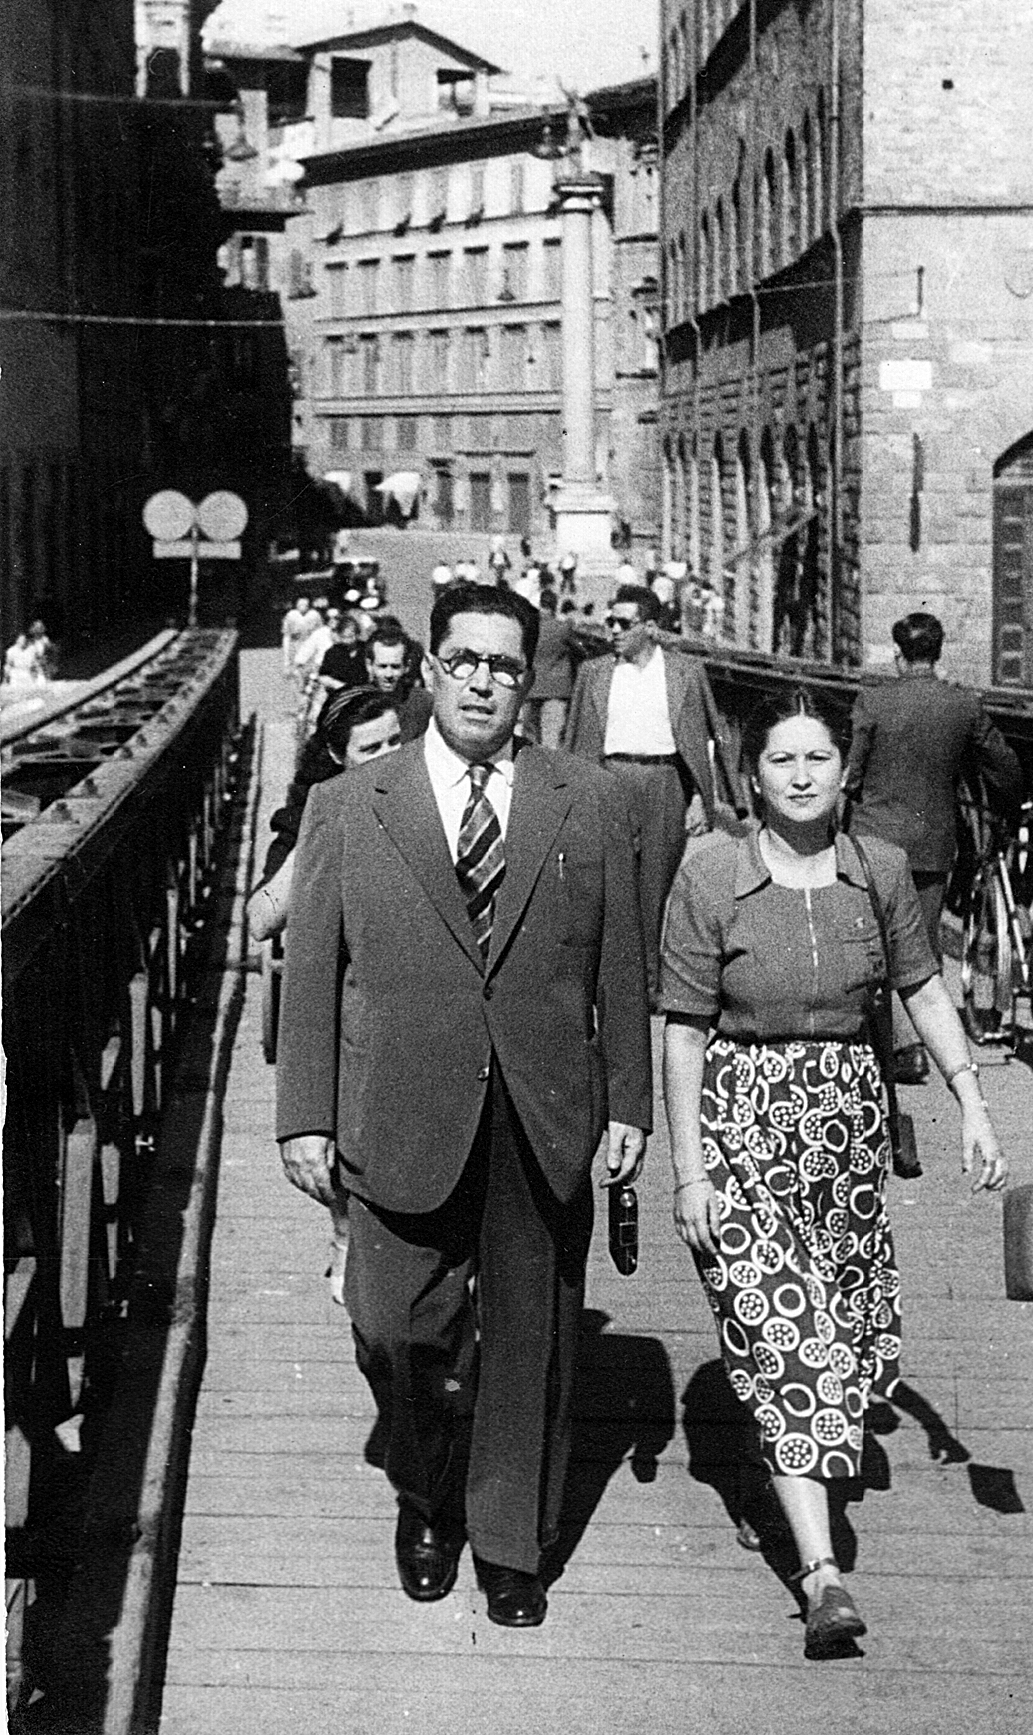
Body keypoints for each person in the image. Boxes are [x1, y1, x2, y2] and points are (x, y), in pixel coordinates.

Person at [275, 581, 652, 1629]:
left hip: (544, 1107)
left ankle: (505, 1543)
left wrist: (629, 1102)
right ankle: (424, 1489)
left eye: (503, 664)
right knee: (394, 1327)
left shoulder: (590, 798)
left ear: (529, 682)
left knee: (531, 1334)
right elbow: (312, 969)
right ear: (430, 670)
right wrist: (303, 1112)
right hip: (394, 1103)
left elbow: (622, 967)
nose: (483, 680)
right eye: (464, 660)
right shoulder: (352, 804)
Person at [660, 684, 1009, 1658]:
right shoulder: (709, 875)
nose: (803, 776)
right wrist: (690, 1175)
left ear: (844, 770)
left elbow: (922, 988)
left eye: (818, 759)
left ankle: (759, 1469)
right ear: (754, 777)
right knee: (792, 1342)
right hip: (741, 1122)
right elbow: (682, 1033)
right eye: (783, 761)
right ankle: (823, 1577)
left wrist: (972, 1101)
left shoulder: (880, 871)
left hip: (847, 1133)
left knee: (844, 1337)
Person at [249, 687, 406, 1302]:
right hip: (347, 1001)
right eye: (372, 748)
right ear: (340, 757)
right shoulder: (320, 811)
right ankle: (344, 1233)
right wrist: (312, 845)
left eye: (398, 740)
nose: (390, 755)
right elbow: (260, 919)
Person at [844, 611, 1023, 1081]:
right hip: (932, 841)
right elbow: (1001, 764)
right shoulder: (963, 705)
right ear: (937, 654)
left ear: (899, 657)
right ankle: (921, 1044)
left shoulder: (872, 702)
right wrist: (1011, 806)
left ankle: (887, 1043)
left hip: (874, 840)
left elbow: (852, 774)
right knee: (920, 943)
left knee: (874, 937)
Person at [564, 583, 738, 1000]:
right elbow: (575, 738)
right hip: (609, 780)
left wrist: (702, 797)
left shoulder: (684, 672)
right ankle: (607, 980)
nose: (613, 630)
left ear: (650, 627)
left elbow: (708, 738)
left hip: (663, 784)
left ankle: (649, 984)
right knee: (607, 884)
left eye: (623, 623)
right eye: (610, 621)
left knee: (654, 890)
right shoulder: (595, 673)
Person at [518, 588, 578, 749]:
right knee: (551, 739)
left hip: (530, 687)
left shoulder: (528, 628)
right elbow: (579, 648)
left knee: (529, 738)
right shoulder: (563, 627)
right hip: (556, 688)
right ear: (555, 605)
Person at [364, 616, 432, 741]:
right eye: (382, 666)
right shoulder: (355, 702)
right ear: (369, 666)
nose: (388, 674)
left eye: (395, 667)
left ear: (407, 666)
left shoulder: (423, 703)